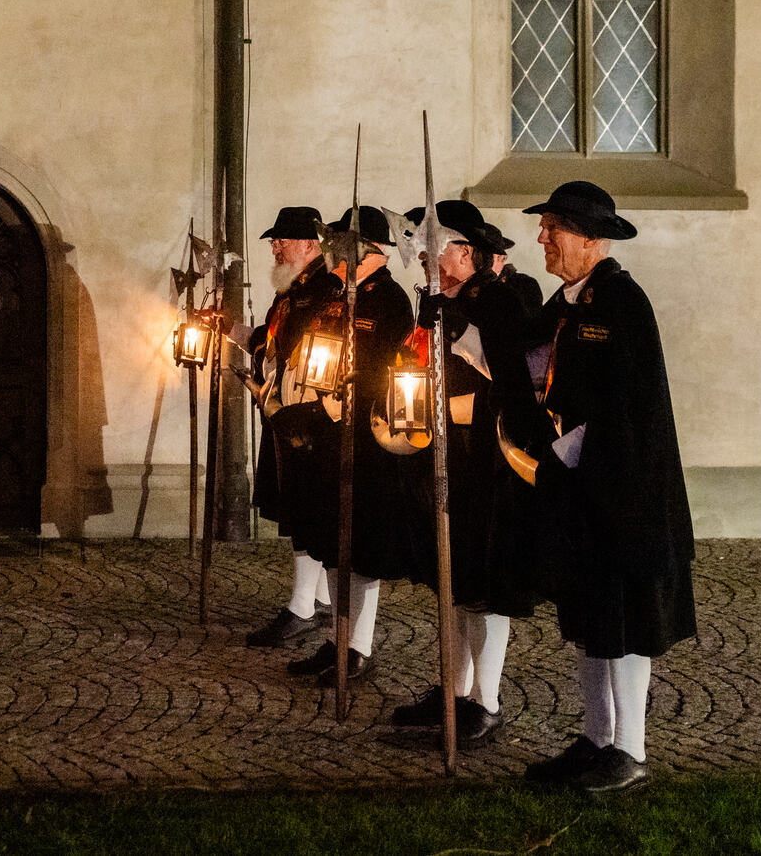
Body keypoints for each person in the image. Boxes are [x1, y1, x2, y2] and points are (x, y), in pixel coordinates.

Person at [517, 181, 697, 793]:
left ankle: (630, 751)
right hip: (585, 495)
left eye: (553, 229)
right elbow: (526, 357)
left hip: (628, 498)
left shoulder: (621, 301)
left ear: (590, 240)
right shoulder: (565, 301)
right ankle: (596, 739)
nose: (542, 237)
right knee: (591, 618)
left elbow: (635, 407)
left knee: (624, 621)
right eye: (544, 227)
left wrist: (566, 450)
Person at [391, 201, 541, 747]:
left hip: (486, 461)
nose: (428, 255)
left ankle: (487, 701)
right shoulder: (441, 299)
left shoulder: (498, 298)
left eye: (438, 246)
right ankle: (453, 691)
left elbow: (508, 372)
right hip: (445, 453)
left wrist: (453, 325)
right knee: (450, 584)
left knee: (483, 584)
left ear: (465, 251)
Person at [284, 206, 414, 685]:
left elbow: (384, 372)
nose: (329, 249)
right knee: (334, 547)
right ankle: (338, 640)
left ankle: (357, 648)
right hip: (327, 435)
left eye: (338, 241)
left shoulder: (390, 300)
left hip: (367, 440)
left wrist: (335, 405)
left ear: (363, 248)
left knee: (361, 548)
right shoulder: (336, 293)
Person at [232, 206, 339, 646]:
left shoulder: (324, 288)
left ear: (310, 246)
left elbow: (307, 345)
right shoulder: (291, 288)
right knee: (298, 509)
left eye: (282, 240)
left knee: (309, 510)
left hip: (309, 415)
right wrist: (234, 332)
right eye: (274, 241)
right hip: (279, 406)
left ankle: (306, 606)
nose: (275, 247)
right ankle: (312, 603)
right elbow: (272, 339)